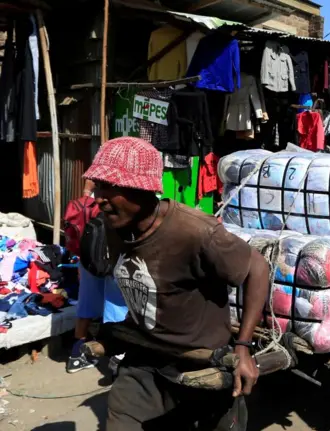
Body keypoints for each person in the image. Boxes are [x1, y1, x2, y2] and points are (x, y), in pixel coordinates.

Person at [83, 137, 270, 430]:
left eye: (109, 187)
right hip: (144, 359)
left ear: (142, 189)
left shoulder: (196, 232)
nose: (98, 197)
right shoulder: (113, 225)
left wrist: (243, 348)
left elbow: (258, 268)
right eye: (97, 185)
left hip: (202, 363)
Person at [67, 180, 128, 375]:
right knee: (117, 306)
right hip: (113, 260)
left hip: (88, 261)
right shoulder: (123, 202)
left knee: (86, 305)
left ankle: (76, 355)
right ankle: (116, 357)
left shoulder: (85, 203)